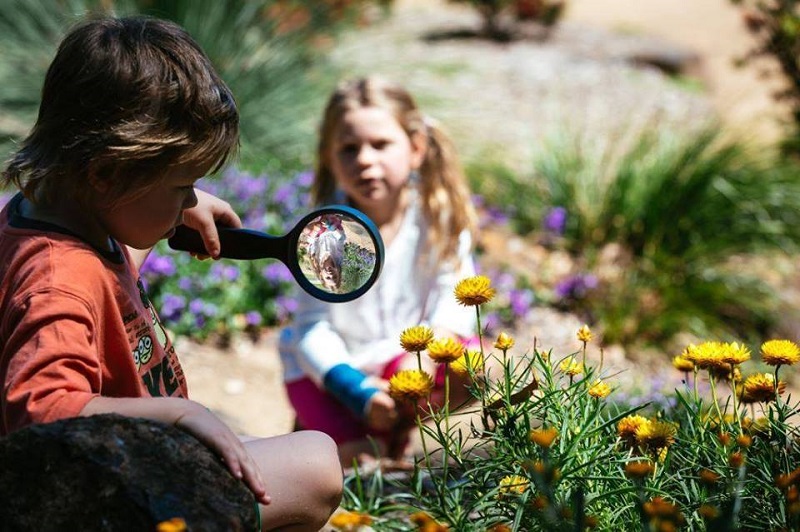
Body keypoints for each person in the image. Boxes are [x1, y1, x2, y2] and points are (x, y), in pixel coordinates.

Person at [0, 16, 342, 531]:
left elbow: (106, 276)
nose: (190, 197)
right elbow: (43, 412)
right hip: (99, 493)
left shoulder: (57, 218)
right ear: (108, 174)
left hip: (123, 462)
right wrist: (178, 414)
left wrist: (177, 208)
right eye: (182, 184)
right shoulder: (57, 280)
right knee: (316, 465)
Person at [279, 76, 480, 466]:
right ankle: (338, 431)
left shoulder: (439, 218)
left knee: (480, 366)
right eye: (349, 149)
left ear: (416, 148)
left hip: (401, 362)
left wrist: (419, 357)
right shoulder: (325, 232)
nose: (365, 160)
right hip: (330, 377)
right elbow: (311, 328)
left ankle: (394, 425)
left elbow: (456, 306)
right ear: (331, 159)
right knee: (356, 467)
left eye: (381, 145)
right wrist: (356, 390)